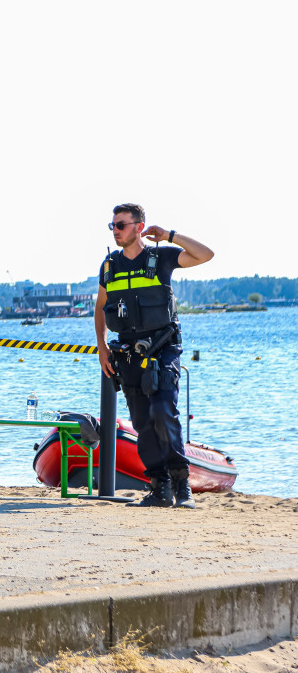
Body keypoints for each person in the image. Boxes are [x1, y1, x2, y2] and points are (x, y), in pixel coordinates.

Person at [94, 204, 213, 509]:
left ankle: (180, 484)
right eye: (113, 226)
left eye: (120, 224)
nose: (115, 230)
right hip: (128, 354)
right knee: (143, 423)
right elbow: (100, 306)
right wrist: (102, 346)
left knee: (163, 412)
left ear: (139, 226)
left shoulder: (160, 257)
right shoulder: (109, 265)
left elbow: (205, 254)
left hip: (163, 349)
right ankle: (159, 488)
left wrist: (170, 235)